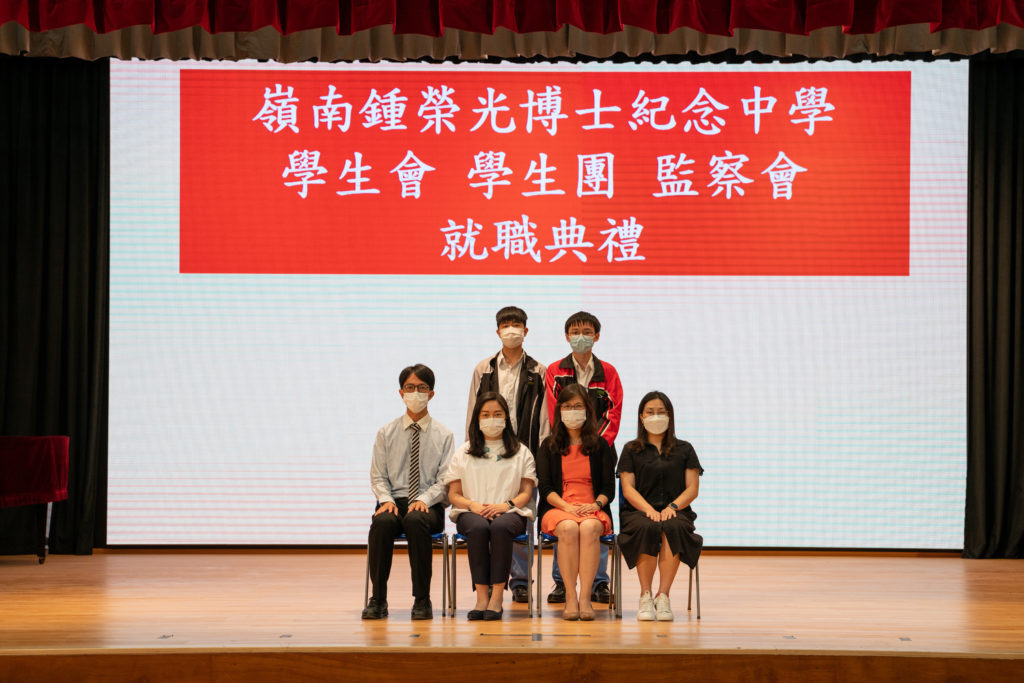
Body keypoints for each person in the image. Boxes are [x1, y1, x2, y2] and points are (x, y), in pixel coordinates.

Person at [466, 305, 549, 604]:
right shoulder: (484, 368)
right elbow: (473, 412)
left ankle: (522, 580)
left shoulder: (539, 370)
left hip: (524, 454)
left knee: (520, 517)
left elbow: (544, 418)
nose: (511, 329)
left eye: (516, 325)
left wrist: (540, 457)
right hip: (488, 456)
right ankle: (489, 582)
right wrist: (472, 450)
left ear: (525, 331)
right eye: (506, 325)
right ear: (498, 331)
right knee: (488, 516)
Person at [363, 364, 455, 621]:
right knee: (382, 523)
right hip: (394, 501)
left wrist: (424, 499)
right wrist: (386, 500)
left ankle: (422, 599)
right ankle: (378, 599)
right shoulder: (386, 432)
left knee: (416, 520)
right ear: (401, 393)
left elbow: (445, 480)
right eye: (410, 388)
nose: (416, 393)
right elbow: (378, 475)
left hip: (428, 504)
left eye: (422, 388)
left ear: (431, 394)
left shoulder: (444, 434)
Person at [544, 311, 623, 604]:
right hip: (564, 446)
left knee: (595, 517)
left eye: (587, 332)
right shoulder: (555, 370)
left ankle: (598, 582)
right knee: (564, 520)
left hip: (599, 449)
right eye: (575, 332)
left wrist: (593, 443)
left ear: (596, 336)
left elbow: (614, 413)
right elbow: (555, 410)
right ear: (567, 336)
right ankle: (561, 582)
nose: (581, 337)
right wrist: (571, 439)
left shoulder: (609, 372)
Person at [446, 392, 537, 621]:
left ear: (506, 418)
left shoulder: (521, 451)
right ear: (477, 419)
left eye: (497, 414)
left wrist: (505, 506)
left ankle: (497, 597)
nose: (491, 419)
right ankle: (481, 598)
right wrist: (473, 505)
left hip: (510, 511)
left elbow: (526, 493)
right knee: (478, 528)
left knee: (499, 527)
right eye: (485, 415)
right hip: (471, 511)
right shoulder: (463, 452)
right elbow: (454, 494)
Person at [617, 391, 703, 622]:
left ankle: (663, 596)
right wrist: (648, 509)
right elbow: (628, 489)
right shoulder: (631, 449)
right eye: (650, 412)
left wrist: (672, 506)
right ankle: (645, 595)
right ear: (641, 416)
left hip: (677, 511)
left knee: (673, 527)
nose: (656, 416)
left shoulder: (685, 449)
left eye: (661, 412)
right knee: (648, 526)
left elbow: (692, 489)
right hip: (638, 511)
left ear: (670, 415)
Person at [535, 385, 616, 620]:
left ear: (587, 410)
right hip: (558, 508)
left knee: (589, 527)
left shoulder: (600, 445)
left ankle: (586, 598)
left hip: (592, 507)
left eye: (578, 406)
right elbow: (545, 487)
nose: (573, 411)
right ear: (559, 410)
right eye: (568, 406)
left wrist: (596, 505)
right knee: (569, 528)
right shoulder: (548, 445)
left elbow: (608, 488)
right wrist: (566, 507)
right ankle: (570, 596)